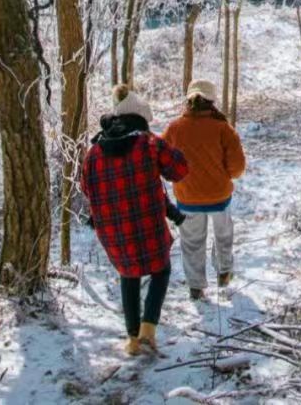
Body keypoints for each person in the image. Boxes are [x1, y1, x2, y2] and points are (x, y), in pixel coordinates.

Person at [81, 86, 188, 356]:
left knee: (128, 274)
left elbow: (86, 187)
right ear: (140, 119)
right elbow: (180, 170)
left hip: (113, 231)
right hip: (148, 225)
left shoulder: (94, 152)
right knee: (160, 270)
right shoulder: (148, 143)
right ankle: (148, 331)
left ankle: (131, 340)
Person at [163, 78, 246, 300]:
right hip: (219, 196)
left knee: (191, 243)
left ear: (189, 100)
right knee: (224, 235)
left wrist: (177, 178)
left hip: (187, 198)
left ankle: (196, 287)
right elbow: (238, 167)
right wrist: (224, 176)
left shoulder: (174, 128)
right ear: (212, 101)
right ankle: (224, 272)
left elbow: (162, 161)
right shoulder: (223, 128)